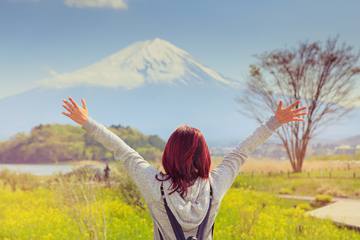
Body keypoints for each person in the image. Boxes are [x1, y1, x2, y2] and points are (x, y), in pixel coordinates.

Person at [62, 97, 307, 240]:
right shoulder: (215, 185)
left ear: (169, 153)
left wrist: (87, 122)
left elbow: (124, 152)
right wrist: (275, 122)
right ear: (205, 155)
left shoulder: (154, 185)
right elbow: (241, 152)